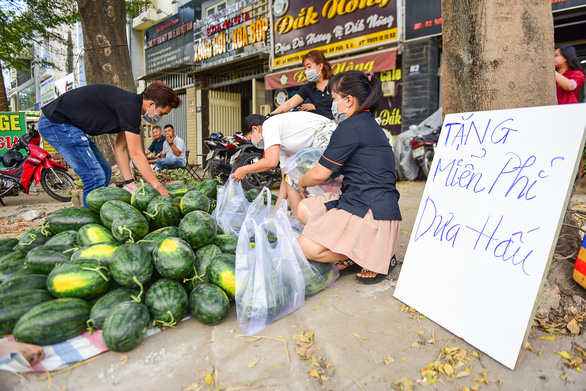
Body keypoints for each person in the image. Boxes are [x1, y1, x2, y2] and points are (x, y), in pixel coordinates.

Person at [296, 70, 402, 285]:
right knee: (304, 209)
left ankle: (369, 255)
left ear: (349, 100)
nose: (333, 104)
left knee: (306, 247)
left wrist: (301, 182)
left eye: (334, 99)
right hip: (363, 201)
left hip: (370, 210)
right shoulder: (368, 124)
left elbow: (318, 174)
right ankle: (356, 248)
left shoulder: (350, 127)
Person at [39, 81, 181, 205]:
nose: (160, 117)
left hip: (67, 125)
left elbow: (121, 149)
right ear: (151, 104)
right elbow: (136, 154)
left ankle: (97, 209)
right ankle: (89, 223)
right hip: (56, 123)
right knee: (94, 177)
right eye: (162, 113)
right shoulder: (129, 107)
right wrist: (158, 186)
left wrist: (130, 184)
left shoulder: (130, 108)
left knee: (104, 171)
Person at [231, 111, 335, 215]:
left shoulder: (269, 125)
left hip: (326, 134)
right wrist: (276, 210)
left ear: (255, 129)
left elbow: (271, 162)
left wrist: (243, 169)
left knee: (310, 181)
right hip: (317, 145)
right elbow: (285, 176)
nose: (254, 143)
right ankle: (298, 219)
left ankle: (306, 218)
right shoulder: (279, 145)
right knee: (290, 178)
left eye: (251, 139)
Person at [271, 50, 335, 120]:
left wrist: (315, 107)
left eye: (309, 67)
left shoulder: (336, 82)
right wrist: (271, 115)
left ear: (320, 66)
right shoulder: (308, 88)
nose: (306, 71)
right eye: (305, 68)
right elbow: (289, 103)